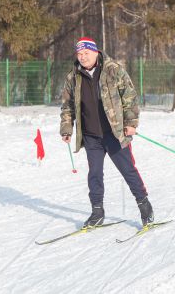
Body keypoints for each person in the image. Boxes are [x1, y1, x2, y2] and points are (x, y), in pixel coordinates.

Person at [60, 37, 153, 228]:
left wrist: (131, 122)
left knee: (128, 170)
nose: (83, 57)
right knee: (94, 174)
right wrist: (67, 127)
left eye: (86, 53)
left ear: (95, 52)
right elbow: (67, 105)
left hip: (115, 133)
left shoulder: (113, 70)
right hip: (91, 135)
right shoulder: (73, 77)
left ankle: (144, 206)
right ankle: (97, 211)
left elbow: (129, 97)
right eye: (79, 54)